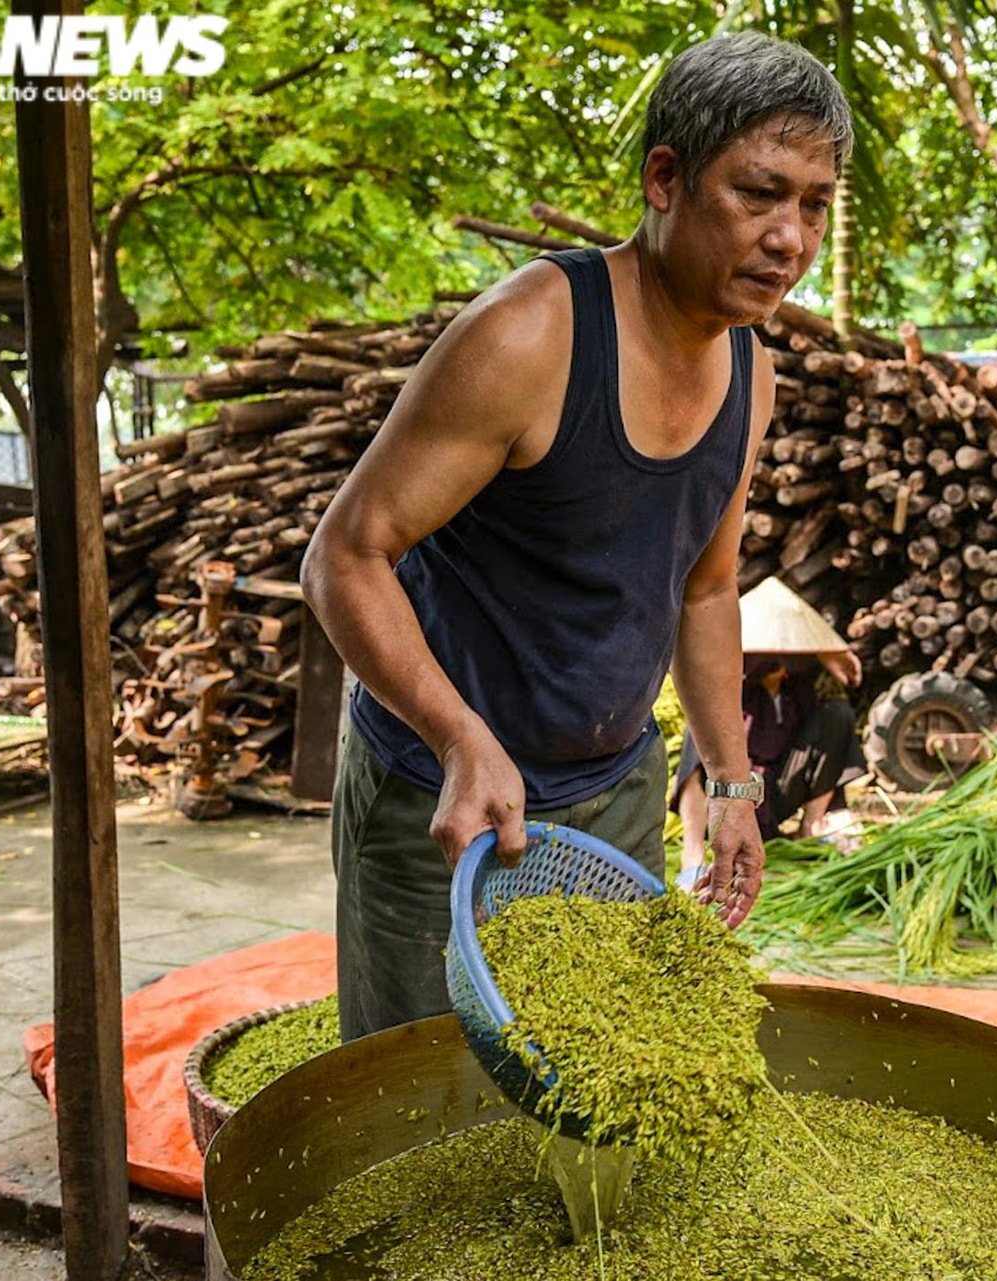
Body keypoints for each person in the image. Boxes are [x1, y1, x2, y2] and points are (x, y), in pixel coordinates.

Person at [301, 33, 851, 1041]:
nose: (790, 237)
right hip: (445, 800)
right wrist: (462, 740)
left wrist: (729, 784)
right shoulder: (532, 338)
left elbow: (705, 586)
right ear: (664, 179)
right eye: (759, 193)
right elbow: (345, 555)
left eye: (814, 203)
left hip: (615, 798)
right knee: (418, 1105)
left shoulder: (751, 374)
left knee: (600, 1080)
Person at [671, 577, 868, 887]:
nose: (783, 668)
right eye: (775, 663)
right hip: (730, 797)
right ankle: (692, 853)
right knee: (697, 731)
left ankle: (811, 826)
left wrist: (830, 654)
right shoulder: (738, 690)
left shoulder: (798, 691)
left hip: (775, 794)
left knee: (838, 715)